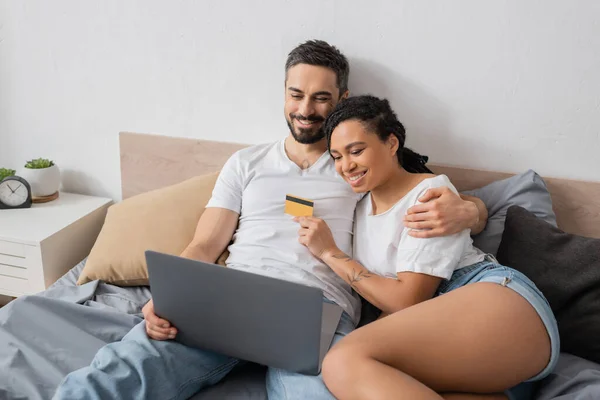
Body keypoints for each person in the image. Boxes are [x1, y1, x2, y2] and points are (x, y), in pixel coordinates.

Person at [53, 41, 487, 400]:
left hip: (316, 312)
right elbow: (205, 244)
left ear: (343, 100)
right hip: (229, 299)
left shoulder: (357, 162)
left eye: (321, 98)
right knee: (117, 372)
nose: (306, 109)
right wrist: (170, 297)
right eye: (296, 95)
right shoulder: (246, 163)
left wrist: (472, 210)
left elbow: (431, 193)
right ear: (283, 94)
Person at [294, 95, 560, 400]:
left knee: (341, 361)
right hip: (476, 353)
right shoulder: (358, 206)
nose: (346, 165)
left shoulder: (430, 195)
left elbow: (407, 299)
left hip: (494, 300)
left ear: (392, 144)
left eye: (356, 151)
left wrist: (331, 254)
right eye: (337, 157)